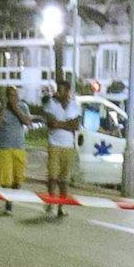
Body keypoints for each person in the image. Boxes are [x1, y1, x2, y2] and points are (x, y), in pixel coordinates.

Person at [40, 81, 82, 218]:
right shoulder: (51, 104)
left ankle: (61, 206)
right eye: (58, 90)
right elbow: (51, 123)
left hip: (68, 146)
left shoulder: (74, 106)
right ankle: (51, 203)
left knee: (64, 179)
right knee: (52, 176)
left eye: (63, 90)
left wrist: (60, 123)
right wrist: (66, 124)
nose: (59, 93)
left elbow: (76, 125)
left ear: (68, 92)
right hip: (54, 145)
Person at [0, 87, 29, 213]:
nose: (13, 98)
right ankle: (8, 203)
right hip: (4, 148)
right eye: (10, 95)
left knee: (18, 179)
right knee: (6, 180)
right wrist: (4, 107)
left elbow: (27, 121)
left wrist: (15, 108)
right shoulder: (0, 109)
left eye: (15, 95)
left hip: (19, 147)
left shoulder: (23, 107)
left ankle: (12, 196)